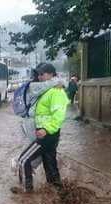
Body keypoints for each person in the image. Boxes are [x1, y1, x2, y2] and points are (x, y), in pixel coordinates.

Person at [18, 63, 69, 192]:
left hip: (47, 134)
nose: (40, 77)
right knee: (49, 163)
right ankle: (58, 192)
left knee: (24, 161)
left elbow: (58, 115)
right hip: (48, 133)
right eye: (38, 74)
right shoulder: (47, 90)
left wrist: (46, 129)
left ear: (52, 74)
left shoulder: (56, 92)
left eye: (43, 74)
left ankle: (26, 193)